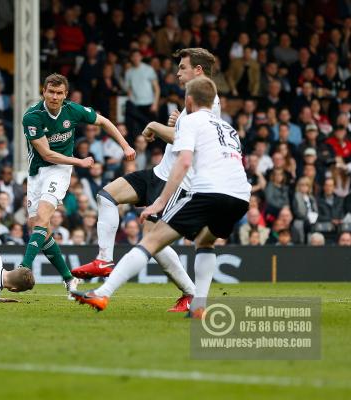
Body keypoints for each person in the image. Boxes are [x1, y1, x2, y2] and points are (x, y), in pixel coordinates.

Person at [72, 77, 250, 316]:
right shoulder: (229, 129)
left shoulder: (190, 120)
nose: (178, 73)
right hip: (239, 195)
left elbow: (184, 161)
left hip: (207, 190)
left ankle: (102, 293)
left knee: (151, 241)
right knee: (206, 243)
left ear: (189, 100)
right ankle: (198, 305)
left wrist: (160, 201)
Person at [20, 73, 135, 298]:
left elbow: (104, 121)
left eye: (59, 93)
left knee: (43, 217)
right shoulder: (32, 116)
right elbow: (46, 153)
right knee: (38, 228)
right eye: (50, 92)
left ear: (65, 95)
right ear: (43, 92)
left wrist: (126, 146)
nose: (54, 97)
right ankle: (68, 278)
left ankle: (23, 270)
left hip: (60, 171)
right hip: (38, 172)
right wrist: (80, 161)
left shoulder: (73, 110)